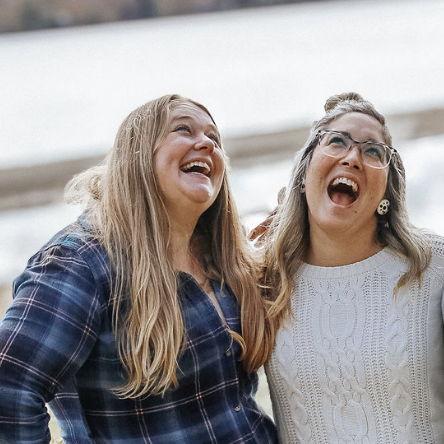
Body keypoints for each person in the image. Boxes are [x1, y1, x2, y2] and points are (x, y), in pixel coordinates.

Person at [0, 94, 277, 443]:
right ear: (138, 154)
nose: (206, 143)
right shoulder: (80, 263)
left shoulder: (222, 255)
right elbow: (9, 389)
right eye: (183, 129)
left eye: (214, 137)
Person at [261, 92, 444, 443]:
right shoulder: (265, 280)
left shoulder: (433, 265)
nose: (352, 158)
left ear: (386, 192)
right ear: (304, 174)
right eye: (337, 141)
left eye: (373, 151)